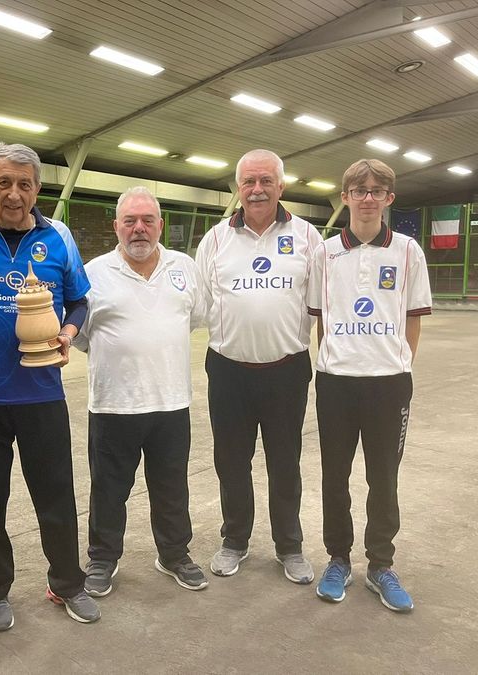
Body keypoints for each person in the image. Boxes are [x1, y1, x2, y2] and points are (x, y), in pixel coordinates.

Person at [0, 142, 99, 627]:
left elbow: (79, 302)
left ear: (37, 189)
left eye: (24, 184)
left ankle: (67, 582)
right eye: (3, 182)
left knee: (56, 495)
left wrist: (67, 334)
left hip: (41, 394)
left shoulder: (59, 236)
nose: (13, 193)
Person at [307, 159, 431, 612]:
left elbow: (413, 319)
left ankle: (381, 565)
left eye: (377, 191)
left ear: (389, 199)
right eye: (358, 190)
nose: (367, 198)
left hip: (389, 386)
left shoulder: (406, 251)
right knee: (334, 477)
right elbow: (321, 319)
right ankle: (338, 559)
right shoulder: (323, 253)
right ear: (345, 197)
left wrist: (397, 367)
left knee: (384, 478)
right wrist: (337, 359)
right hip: (336, 383)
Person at [195, 149, 323, 584]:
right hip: (228, 370)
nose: (257, 189)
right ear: (238, 187)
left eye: (266, 180)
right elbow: (201, 305)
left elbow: (322, 305)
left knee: (285, 462)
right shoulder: (214, 240)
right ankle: (235, 541)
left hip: (287, 370)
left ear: (281, 187)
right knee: (231, 462)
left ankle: (290, 546)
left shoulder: (308, 238)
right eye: (248, 181)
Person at [73, 187, 207, 597]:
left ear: (160, 225)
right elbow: (80, 336)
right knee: (109, 489)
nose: (139, 228)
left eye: (147, 220)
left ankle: (173, 554)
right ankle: (102, 558)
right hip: (114, 404)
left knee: (171, 485)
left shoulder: (184, 267)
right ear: (116, 226)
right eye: (129, 221)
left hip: (171, 402)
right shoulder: (93, 273)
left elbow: (195, 318)